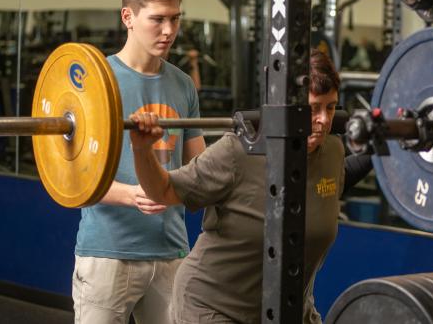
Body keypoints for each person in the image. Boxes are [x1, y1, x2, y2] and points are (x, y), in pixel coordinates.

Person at [130, 50, 372, 324]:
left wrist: (384, 144)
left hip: (289, 309)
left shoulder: (332, 150)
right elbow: (163, 191)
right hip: (214, 308)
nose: (324, 120)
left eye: (331, 107)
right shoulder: (237, 152)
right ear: (283, 106)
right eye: (313, 108)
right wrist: (142, 150)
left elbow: (335, 182)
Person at [72, 0, 206, 324]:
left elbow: (199, 167)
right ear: (128, 17)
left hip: (171, 250)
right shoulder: (96, 82)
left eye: (175, 19)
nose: (169, 30)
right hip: (109, 252)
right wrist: (131, 195)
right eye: (157, 19)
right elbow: (75, 179)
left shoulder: (183, 85)